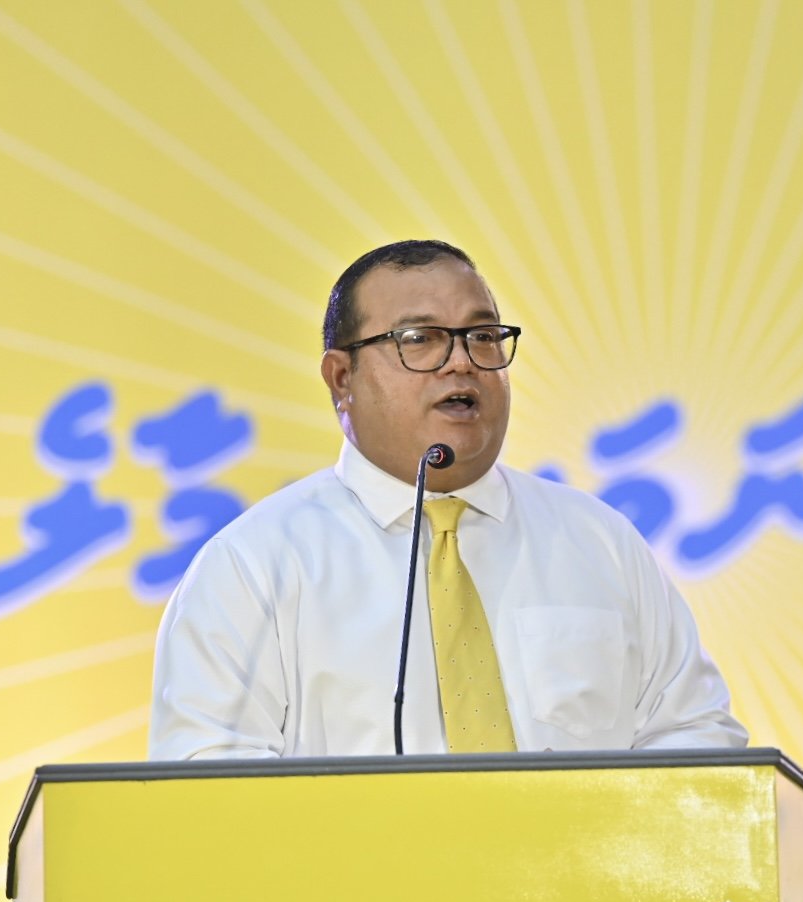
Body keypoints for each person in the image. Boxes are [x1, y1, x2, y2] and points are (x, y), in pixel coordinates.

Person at [148, 240, 747, 759]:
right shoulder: (252, 567)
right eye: (420, 339)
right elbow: (210, 787)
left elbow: (696, 736)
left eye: (482, 336)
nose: (462, 361)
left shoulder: (600, 543)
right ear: (341, 379)